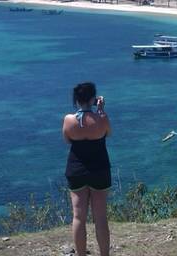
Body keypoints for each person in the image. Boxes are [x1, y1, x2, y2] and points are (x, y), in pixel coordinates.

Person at [63, 82, 112, 256]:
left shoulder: (68, 120)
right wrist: (101, 110)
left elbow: (68, 140)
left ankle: (81, 254)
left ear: (76, 99)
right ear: (93, 99)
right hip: (99, 169)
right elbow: (108, 133)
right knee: (100, 218)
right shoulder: (102, 118)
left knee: (78, 217)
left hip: (76, 169)